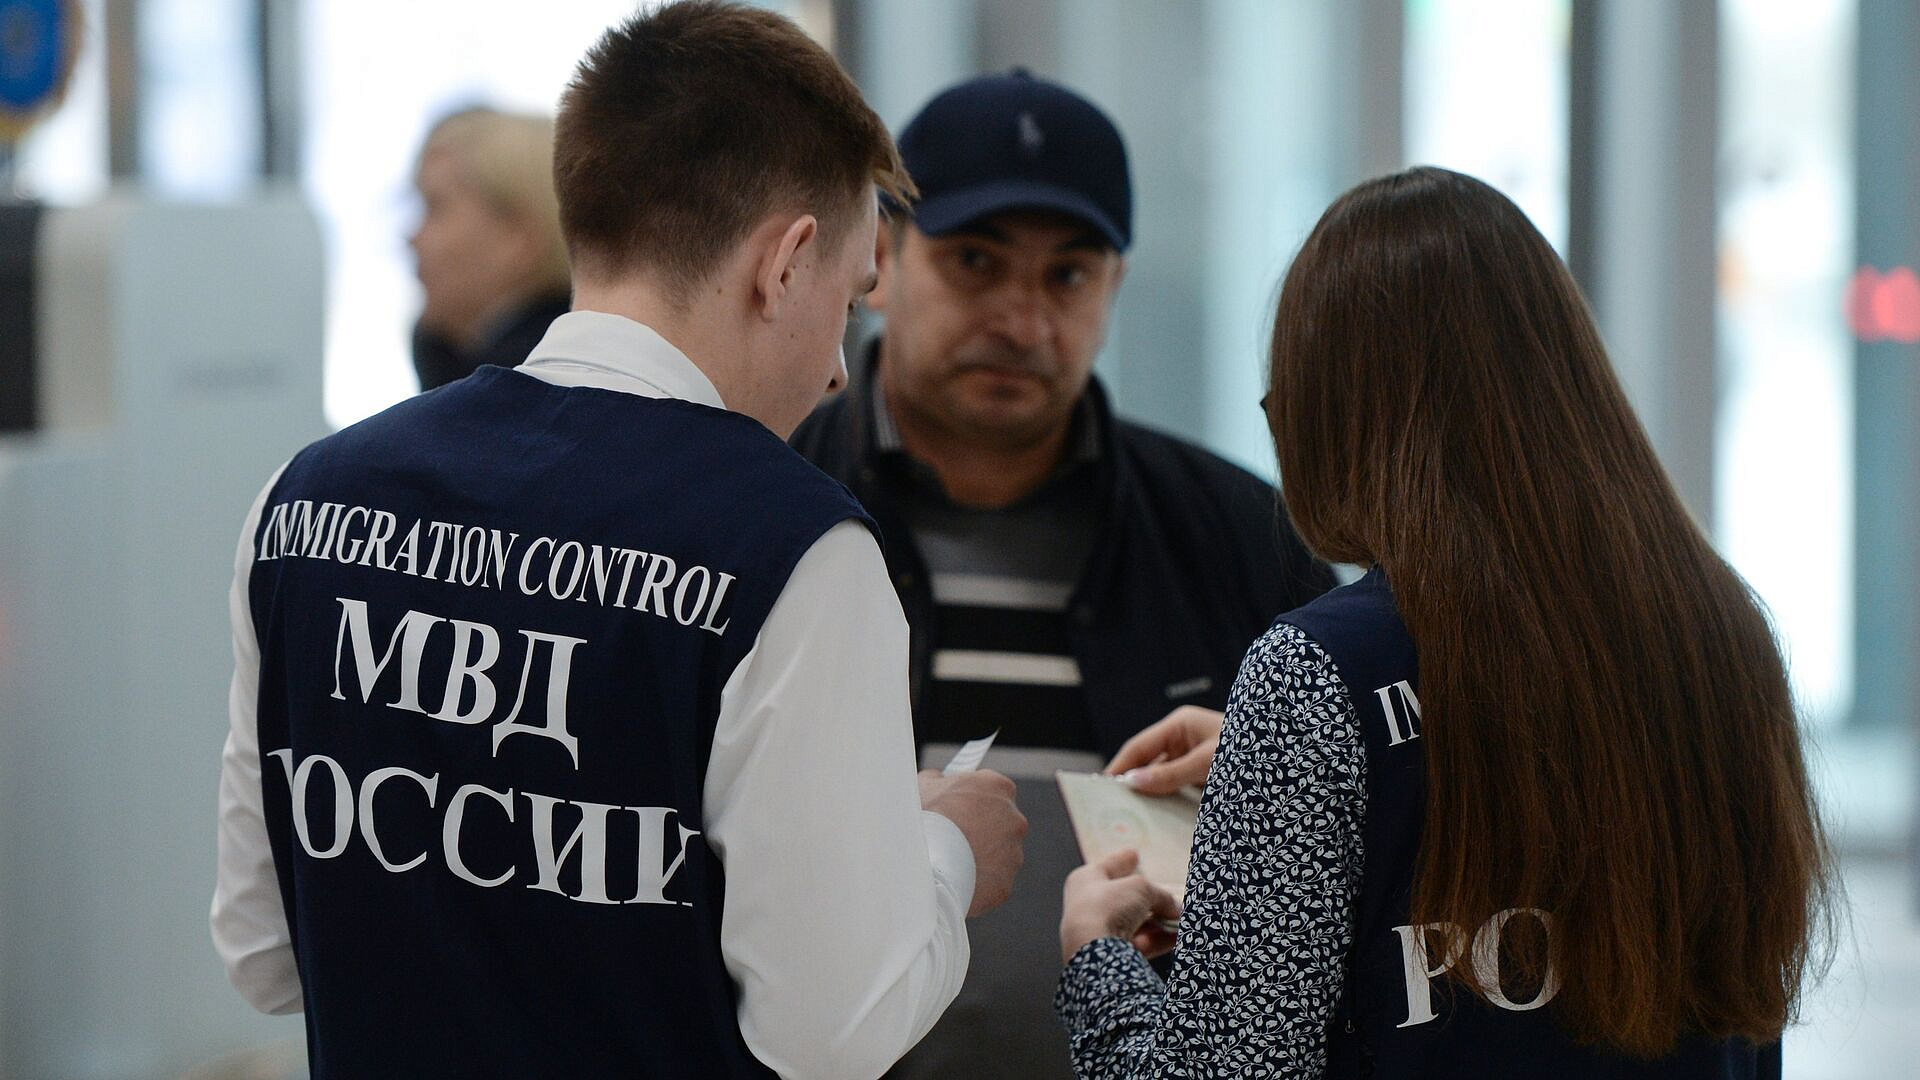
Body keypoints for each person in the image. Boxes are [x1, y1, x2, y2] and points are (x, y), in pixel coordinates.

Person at [210, 5, 1026, 1077]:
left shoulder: (306, 503)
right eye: (852, 298)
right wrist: (944, 852)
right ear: (786, 264)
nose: (839, 368)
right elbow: (829, 1033)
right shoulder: (793, 550)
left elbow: (263, 953)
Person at [1055, 167, 1833, 1078]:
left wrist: (1094, 960)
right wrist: (1297, 775)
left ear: (1333, 417)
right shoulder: (1724, 638)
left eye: (1282, 408)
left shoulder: (1320, 672)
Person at [790, 71, 1332, 1077]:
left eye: (1068, 276)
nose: (1022, 320)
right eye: (976, 262)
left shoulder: (1239, 539)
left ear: (1114, 287)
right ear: (881, 261)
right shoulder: (772, 509)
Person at [407, 106, 573, 391]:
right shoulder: (459, 364)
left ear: (518, 237)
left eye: (436, 207)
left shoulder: (534, 393)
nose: (412, 238)